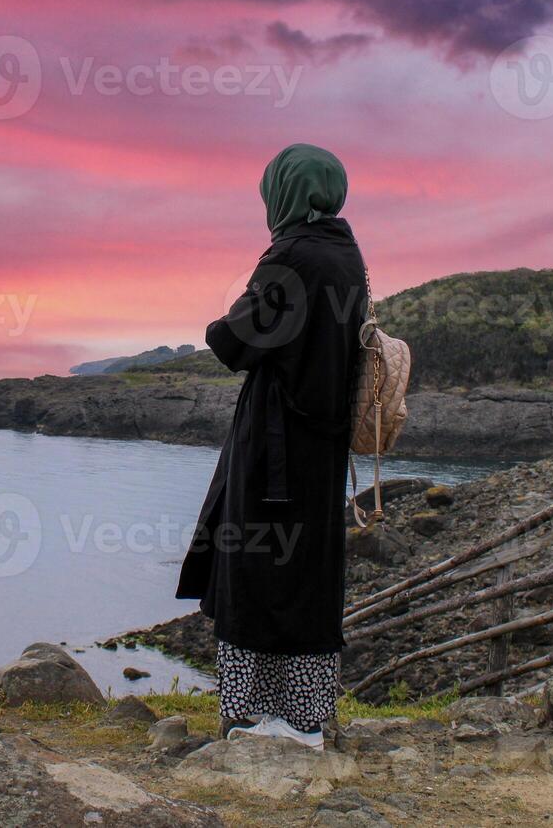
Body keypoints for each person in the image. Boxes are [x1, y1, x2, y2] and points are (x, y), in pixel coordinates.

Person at [176, 144, 367, 749]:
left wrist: (213, 326)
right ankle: (307, 719)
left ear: (285, 192)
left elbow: (237, 342)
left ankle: (251, 716)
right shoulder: (346, 253)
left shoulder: (289, 255)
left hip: (276, 446)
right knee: (308, 571)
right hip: (324, 446)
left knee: (254, 567)